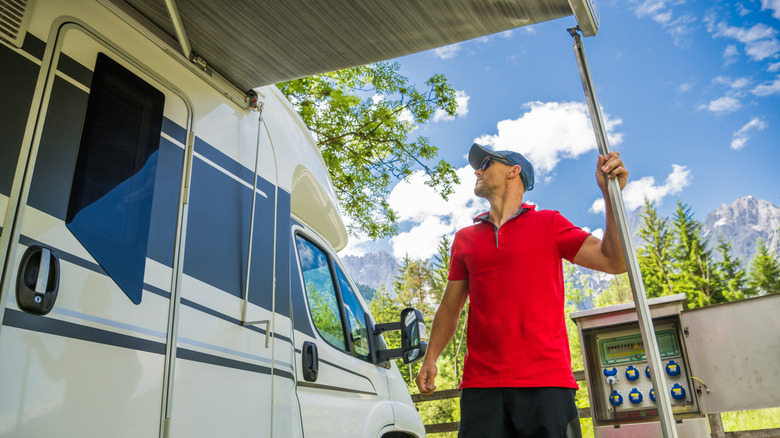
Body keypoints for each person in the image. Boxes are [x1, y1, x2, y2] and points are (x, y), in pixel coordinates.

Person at [415, 143, 629, 438]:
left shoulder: (550, 223)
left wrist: (610, 194)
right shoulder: (465, 239)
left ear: (513, 172)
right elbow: (451, 307)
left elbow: (615, 261)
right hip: (482, 386)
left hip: (547, 383)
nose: (478, 170)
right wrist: (431, 358)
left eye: (487, 163)